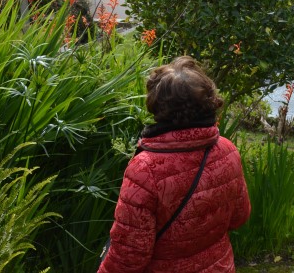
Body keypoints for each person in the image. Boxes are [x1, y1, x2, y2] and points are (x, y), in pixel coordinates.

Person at [99, 56, 250, 273]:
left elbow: (129, 256)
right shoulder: (227, 150)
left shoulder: (145, 169)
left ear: (157, 105)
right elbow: (239, 217)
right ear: (208, 101)